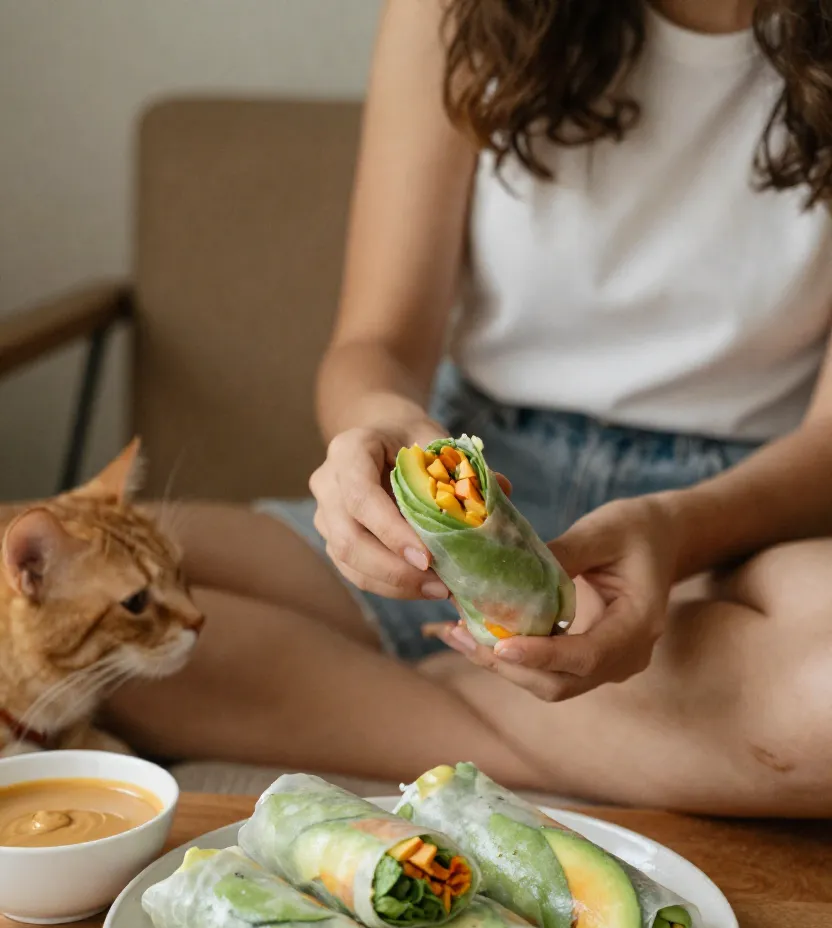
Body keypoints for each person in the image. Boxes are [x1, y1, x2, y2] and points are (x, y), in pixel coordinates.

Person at [110, 0, 832, 816]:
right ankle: (580, 730)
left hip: (725, 529)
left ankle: (431, 690)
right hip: (467, 484)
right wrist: (378, 427)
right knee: (31, 582)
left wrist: (675, 531)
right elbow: (375, 343)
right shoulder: (455, 10)